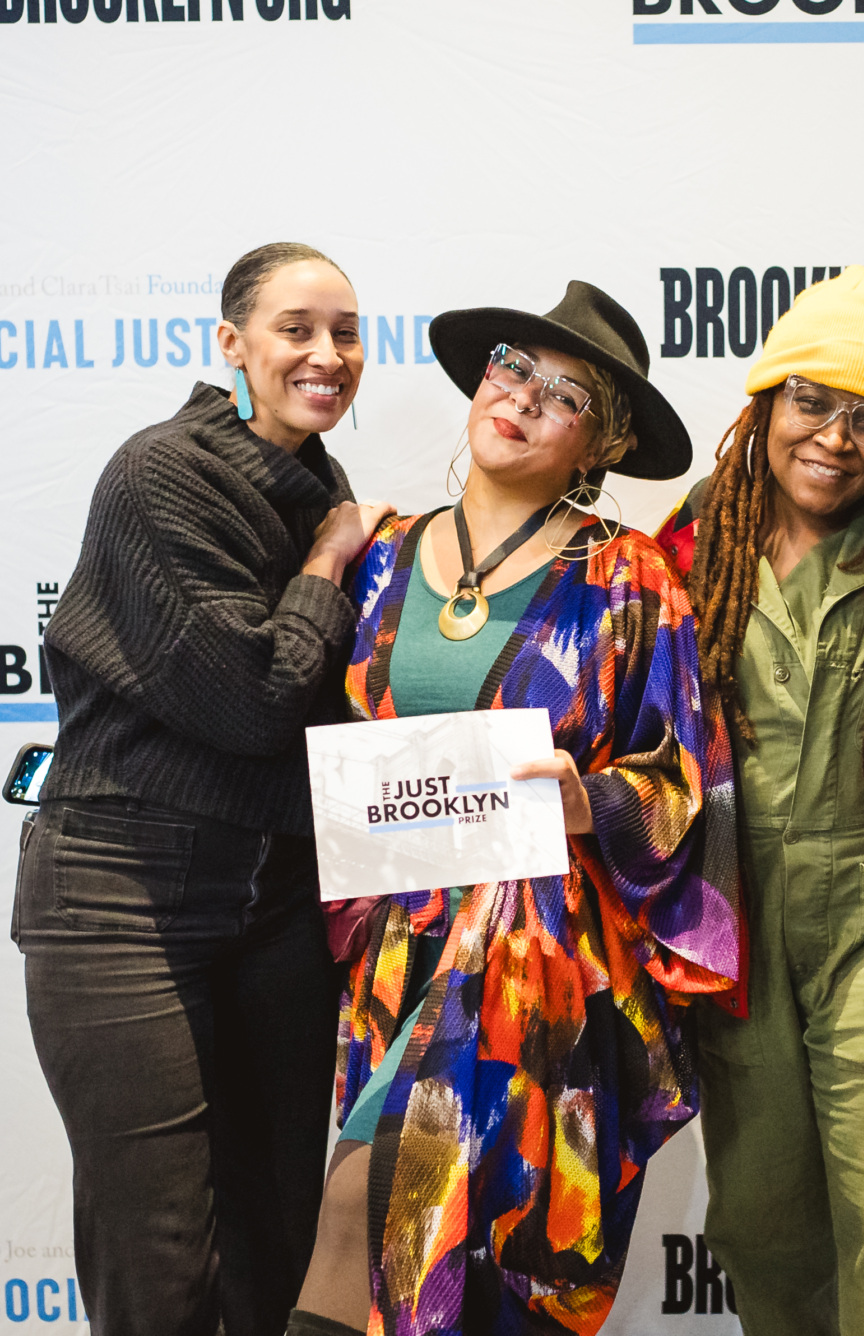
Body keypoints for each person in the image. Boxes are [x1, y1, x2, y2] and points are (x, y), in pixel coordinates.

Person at [284, 281, 742, 1336]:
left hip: (539, 963)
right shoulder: (382, 552)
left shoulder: (627, 579)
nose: (523, 398)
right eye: (511, 367)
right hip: (391, 949)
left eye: (564, 395)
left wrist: (596, 800)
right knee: (400, 1243)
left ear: (598, 447)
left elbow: (688, 782)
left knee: (398, 1220)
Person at [14, 242, 394, 1336]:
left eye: (347, 331)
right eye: (296, 329)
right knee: (160, 1255)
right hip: (120, 897)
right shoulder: (163, 475)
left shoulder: (317, 483)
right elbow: (253, 704)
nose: (327, 354)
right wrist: (327, 564)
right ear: (232, 345)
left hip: (269, 897)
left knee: (275, 1237)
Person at [654, 266, 864, 1336]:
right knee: (762, 1221)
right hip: (735, 923)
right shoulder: (684, 554)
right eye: (811, 402)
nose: (834, 438)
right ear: (765, 401)